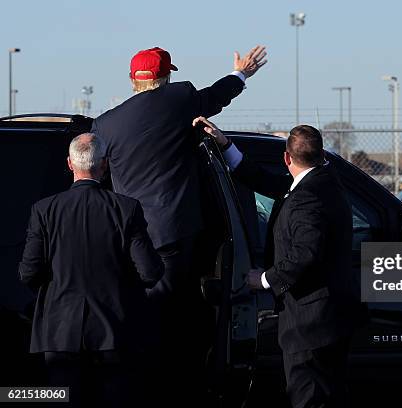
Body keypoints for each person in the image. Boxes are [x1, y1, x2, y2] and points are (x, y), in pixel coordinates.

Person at [90, 45, 267, 400]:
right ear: (166, 76)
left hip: (126, 242)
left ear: (131, 79)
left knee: (139, 319)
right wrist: (242, 73)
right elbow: (216, 97)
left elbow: (96, 178)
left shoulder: (105, 125)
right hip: (172, 234)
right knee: (174, 319)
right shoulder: (179, 99)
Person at [195, 117, 358, 408]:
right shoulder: (322, 183)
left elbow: (305, 254)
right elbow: (262, 179)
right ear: (321, 154)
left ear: (286, 157)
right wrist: (226, 145)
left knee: (310, 398)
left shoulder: (306, 198)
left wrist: (266, 279)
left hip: (310, 324)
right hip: (327, 320)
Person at [18, 133, 163, 407]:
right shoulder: (126, 209)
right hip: (114, 332)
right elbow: (150, 272)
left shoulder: (44, 210)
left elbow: (28, 272)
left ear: (70, 164)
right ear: (104, 165)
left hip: (59, 334)